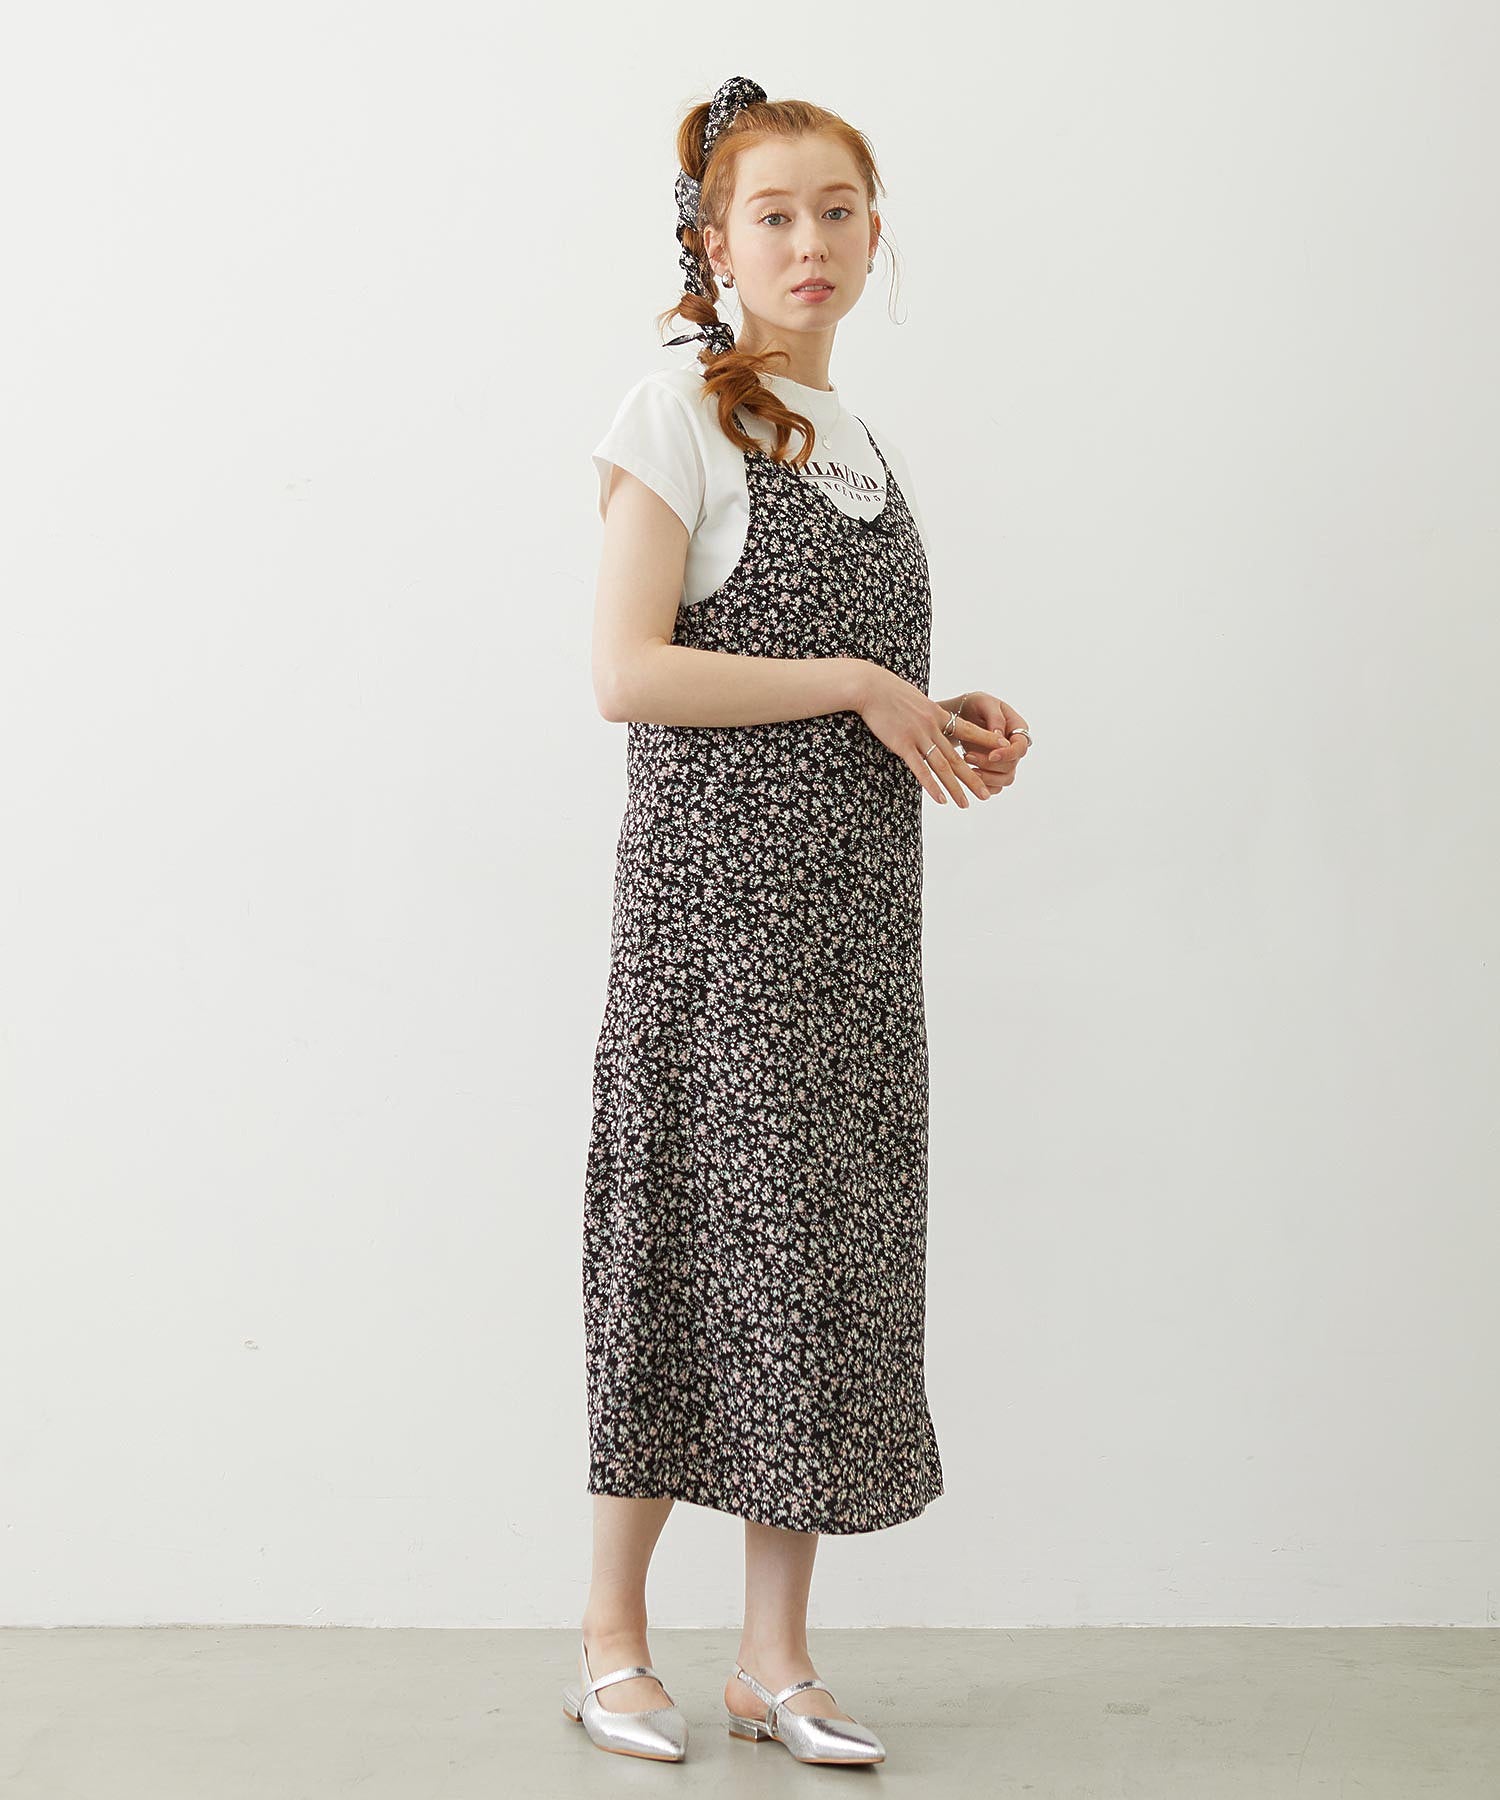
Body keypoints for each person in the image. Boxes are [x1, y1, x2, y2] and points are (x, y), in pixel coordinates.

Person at [564, 75, 1032, 1767]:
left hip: (851, 939)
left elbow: (847, 694)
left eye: (838, 210)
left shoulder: (860, 445)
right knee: (683, 1252)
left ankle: (773, 1659)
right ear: (713, 244)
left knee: (819, 1273)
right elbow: (629, 673)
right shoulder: (673, 416)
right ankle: (613, 1643)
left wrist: (941, 716)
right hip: (715, 930)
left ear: (875, 232)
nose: (810, 241)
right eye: (773, 214)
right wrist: (852, 677)